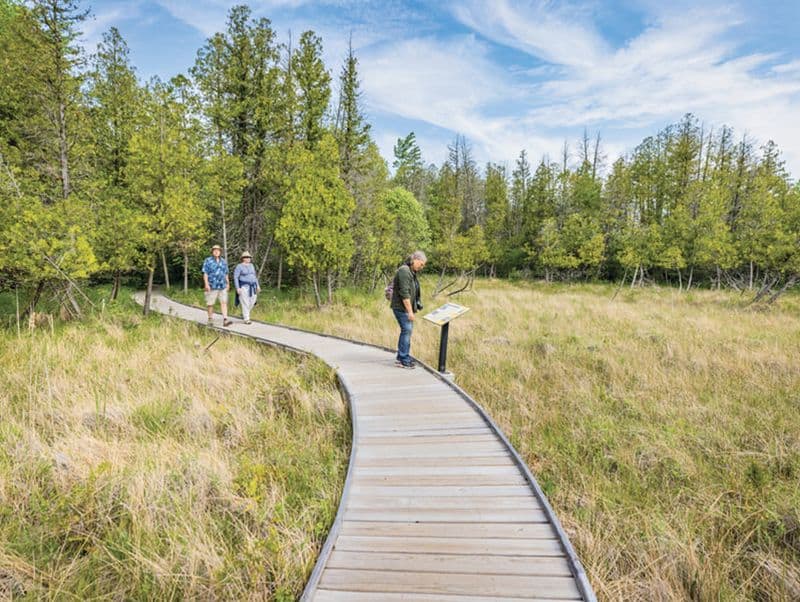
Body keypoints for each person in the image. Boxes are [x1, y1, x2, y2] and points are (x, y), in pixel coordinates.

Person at [390, 250, 426, 368]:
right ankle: (403, 359)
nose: (422, 267)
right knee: (406, 331)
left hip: (404, 308)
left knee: (406, 331)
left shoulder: (410, 271)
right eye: (421, 264)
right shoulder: (404, 271)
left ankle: (402, 357)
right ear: (415, 260)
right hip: (402, 308)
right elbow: (404, 293)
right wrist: (410, 311)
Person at [202, 244, 232, 327]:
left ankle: (225, 320)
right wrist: (206, 284)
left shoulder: (223, 261)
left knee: (224, 302)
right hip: (212, 285)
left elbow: (226, 273)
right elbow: (205, 273)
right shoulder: (208, 260)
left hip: (222, 285)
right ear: (212, 252)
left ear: (220, 252)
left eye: (218, 250)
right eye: (214, 250)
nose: (216, 251)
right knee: (210, 303)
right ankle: (210, 319)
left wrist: (228, 283)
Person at [234, 250, 260, 324]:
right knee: (245, 302)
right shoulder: (239, 266)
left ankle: (244, 314)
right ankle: (247, 319)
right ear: (243, 258)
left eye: (249, 257)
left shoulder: (252, 265)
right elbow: (236, 277)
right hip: (244, 286)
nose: (249, 258)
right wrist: (237, 288)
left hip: (253, 286)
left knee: (253, 301)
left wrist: (257, 285)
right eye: (247, 257)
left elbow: (254, 276)